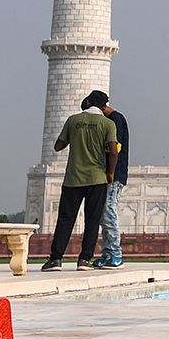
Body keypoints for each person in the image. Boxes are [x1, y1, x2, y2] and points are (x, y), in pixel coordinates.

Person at [43, 89, 119, 271]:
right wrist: (110, 173)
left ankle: (55, 259)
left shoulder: (73, 120)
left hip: (73, 178)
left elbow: (58, 146)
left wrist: (76, 137)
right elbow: (113, 152)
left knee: (65, 219)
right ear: (104, 106)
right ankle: (84, 260)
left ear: (88, 102)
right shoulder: (108, 124)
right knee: (92, 220)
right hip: (97, 178)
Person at [96, 96, 130, 269]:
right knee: (104, 216)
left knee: (109, 213)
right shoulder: (112, 119)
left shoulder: (115, 120)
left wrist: (110, 172)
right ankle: (107, 254)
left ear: (102, 108)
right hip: (108, 174)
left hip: (114, 175)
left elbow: (114, 149)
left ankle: (116, 255)